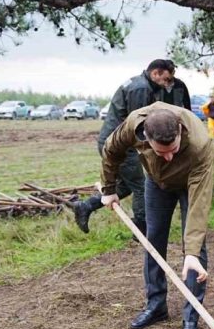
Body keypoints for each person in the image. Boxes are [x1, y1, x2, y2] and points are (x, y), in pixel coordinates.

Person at [99, 102, 214, 329]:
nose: (169, 157)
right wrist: (108, 189)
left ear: (180, 131)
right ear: (145, 138)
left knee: (194, 248)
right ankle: (156, 306)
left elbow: (199, 203)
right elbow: (111, 149)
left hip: (190, 183)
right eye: (161, 152)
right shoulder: (134, 125)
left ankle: (191, 318)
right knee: (153, 240)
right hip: (156, 182)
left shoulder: (200, 144)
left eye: (173, 150)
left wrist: (192, 252)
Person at [73, 59, 173, 234]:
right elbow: (138, 124)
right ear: (155, 73)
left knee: (126, 186)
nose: (166, 84)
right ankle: (142, 227)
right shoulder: (141, 89)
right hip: (118, 145)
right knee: (141, 186)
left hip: (115, 141)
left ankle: (86, 206)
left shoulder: (139, 83)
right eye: (165, 79)